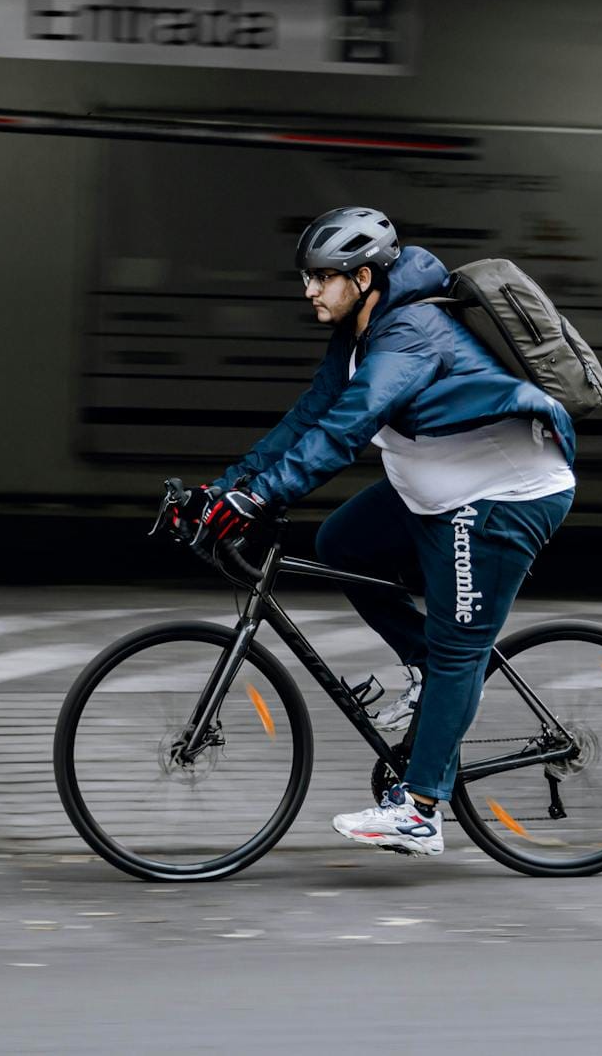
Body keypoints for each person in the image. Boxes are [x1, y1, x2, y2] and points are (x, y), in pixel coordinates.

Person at [187, 206, 576, 857]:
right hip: (434, 488)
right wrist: (230, 485)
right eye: (306, 276)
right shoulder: (359, 329)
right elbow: (309, 417)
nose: (308, 289)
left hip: (500, 496)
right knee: (343, 543)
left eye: (321, 277)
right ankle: (427, 669)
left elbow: (347, 428)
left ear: (363, 276)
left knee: (459, 649)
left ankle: (422, 808)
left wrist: (261, 497)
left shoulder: (411, 333)